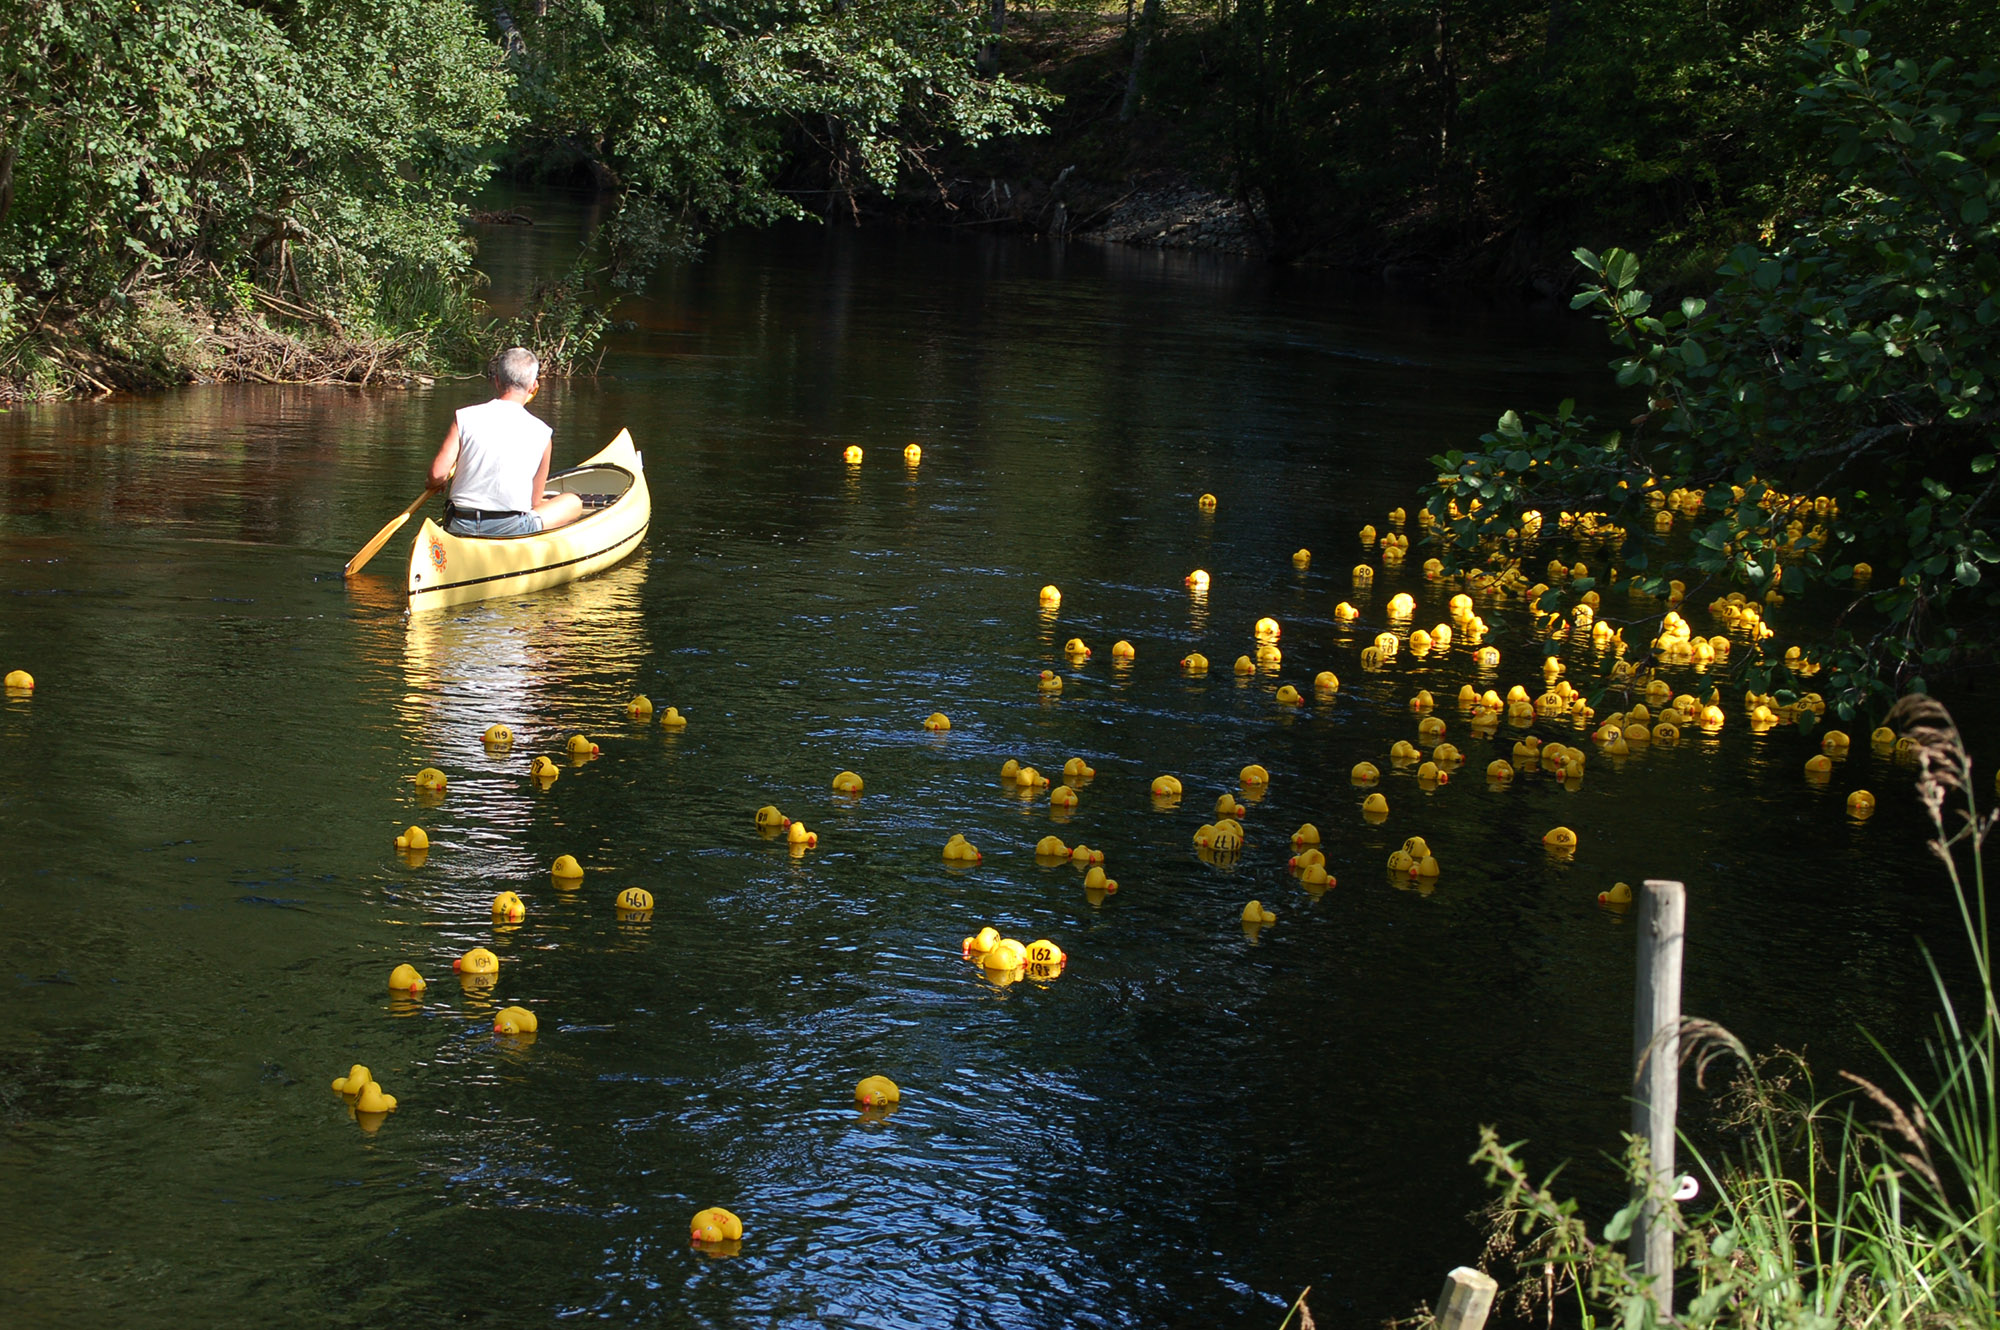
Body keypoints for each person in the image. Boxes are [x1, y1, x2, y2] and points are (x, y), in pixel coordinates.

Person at [427, 347, 583, 537]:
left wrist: (439, 481)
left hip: (459, 523)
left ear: (497, 381)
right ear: (533, 386)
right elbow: (534, 503)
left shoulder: (464, 417)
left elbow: (437, 474)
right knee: (573, 502)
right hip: (510, 528)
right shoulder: (542, 432)